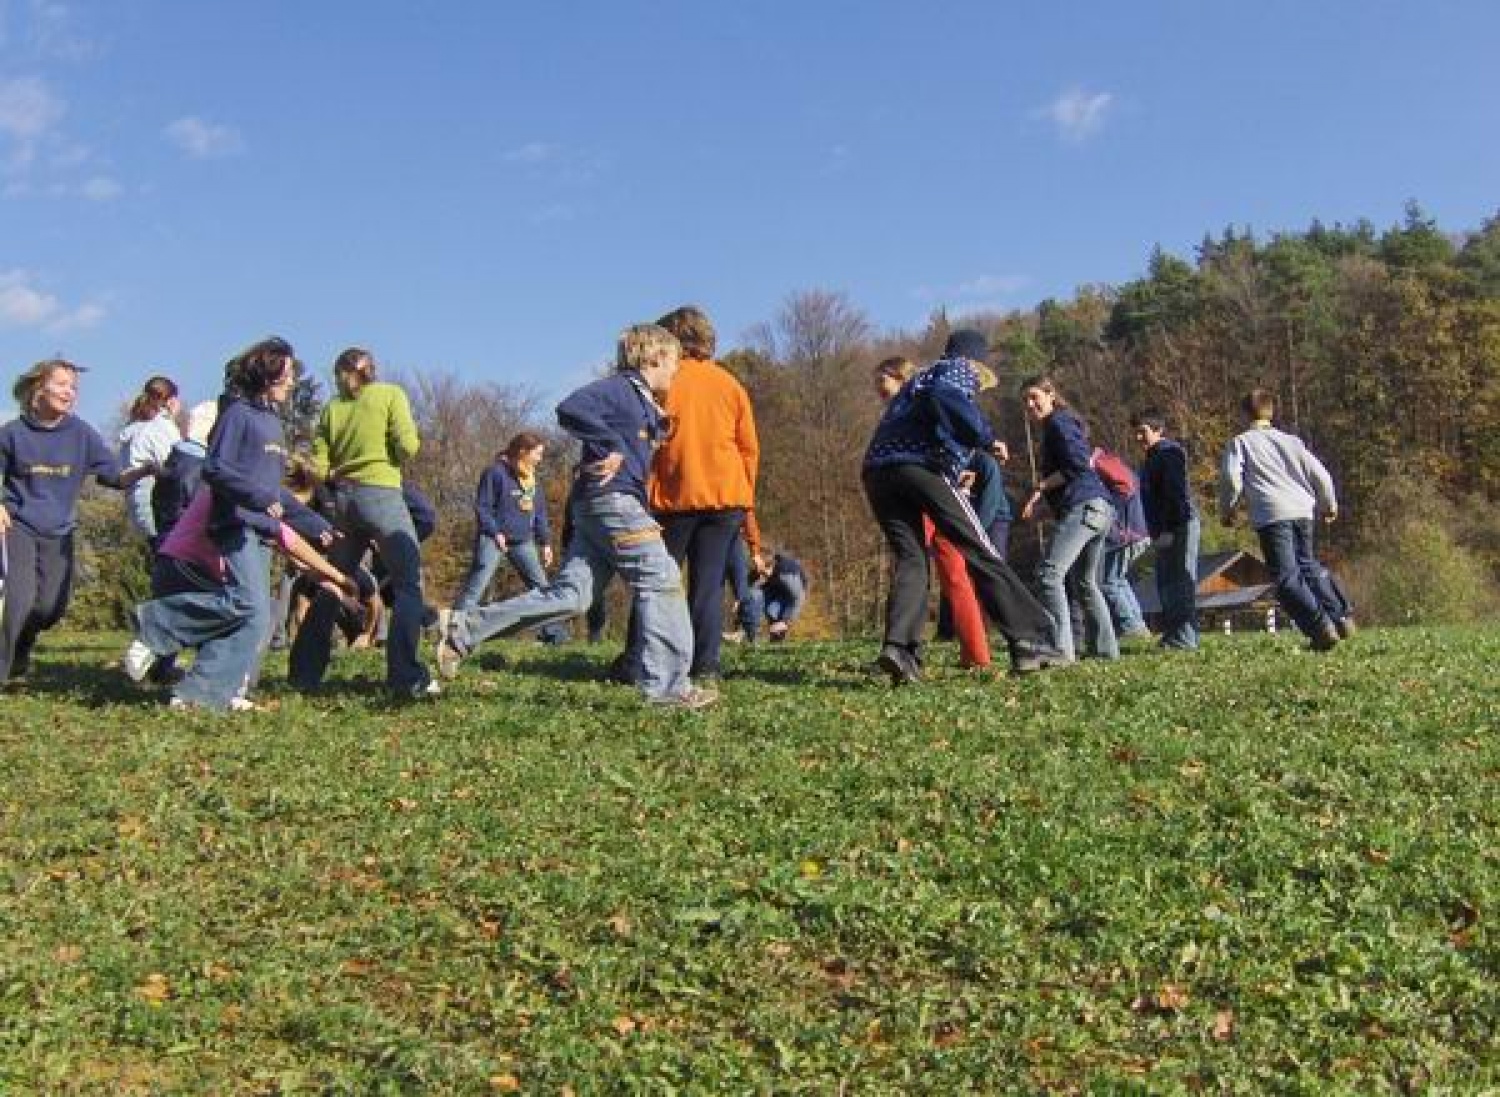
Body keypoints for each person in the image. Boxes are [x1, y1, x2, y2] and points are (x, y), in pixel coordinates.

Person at [436, 324, 716, 710]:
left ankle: (463, 628)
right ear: (653, 357)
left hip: (596, 507)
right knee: (661, 577)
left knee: (571, 597)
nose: (677, 370)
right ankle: (668, 690)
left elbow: (636, 431)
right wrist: (613, 444)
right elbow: (571, 409)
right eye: (674, 362)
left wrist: (654, 428)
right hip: (612, 502)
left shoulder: (642, 401)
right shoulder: (620, 388)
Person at [124, 338, 336, 710]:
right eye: (287, 375)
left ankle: (202, 695)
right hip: (235, 522)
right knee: (244, 604)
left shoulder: (272, 421)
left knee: (256, 617)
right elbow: (216, 469)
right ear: (267, 375)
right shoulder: (237, 415)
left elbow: (274, 492)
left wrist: (315, 523)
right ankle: (157, 624)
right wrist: (257, 498)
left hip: (260, 529)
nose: (292, 382)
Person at [862, 331, 1060, 683]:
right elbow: (947, 397)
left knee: (911, 558)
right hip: (919, 467)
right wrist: (985, 437)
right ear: (975, 361)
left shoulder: (917, 380)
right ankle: (1030, 640)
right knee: (978, 548)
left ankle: (900, 650)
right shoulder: (955, 368)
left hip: (878, 470)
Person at [619, 306, 759, 684]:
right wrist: (746, 500)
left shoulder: (664, 381)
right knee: (709, 585)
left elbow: (644, 439)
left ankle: (635, 660)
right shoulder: (730, 384)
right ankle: (705, 664)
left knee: (655, 580)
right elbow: (748, 448)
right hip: (727, 495)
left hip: (675, 496)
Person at [288, 347, 436, 700]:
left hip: (343, 502)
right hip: (381, 494)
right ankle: (406, 676)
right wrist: (388, 454)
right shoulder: (389, 395)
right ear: (373, 370)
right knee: (408, 584)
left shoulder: (331, 409)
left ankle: (304, 673)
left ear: (339, 373)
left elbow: (320, 469)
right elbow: (409, 446)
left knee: (332, 582)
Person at [0, 359, 154, 686]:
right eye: (61, 385)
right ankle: (4, 668)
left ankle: (23, 647)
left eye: (73, 388)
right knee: (19, 601)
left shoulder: (80, 433)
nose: (69, 393)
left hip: (60, 530)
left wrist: (143, 470)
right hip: (19, 526)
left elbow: (112, 475)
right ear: (36, 390)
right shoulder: (12, 433)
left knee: (49, 608)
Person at [873, 355, 995, 670]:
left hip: (929, 491)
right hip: (924, 487)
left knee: (949, 570)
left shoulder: (919, 399)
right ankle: (904, 647)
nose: (878, 389)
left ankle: (975, 654)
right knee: (918, 567)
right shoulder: (911, 402)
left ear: (900, 377)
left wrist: (963, 472)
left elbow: (950, 435)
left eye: (882, 381)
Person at [1218, 388, 1353, 649]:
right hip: (1303, 509)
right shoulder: (1292, 441)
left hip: (1272, 513)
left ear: (1245, 414)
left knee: (1286, 577)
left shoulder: (1241, 443)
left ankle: (1320, 627)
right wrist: (1329, 504)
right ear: (1272, 412)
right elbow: (1321, 474)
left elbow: (1231, 479)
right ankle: (1341, 616)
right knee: (1309, 566)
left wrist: (1228, 509)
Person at [1020, 375, 1119, 663]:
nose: (1030, 404)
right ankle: (1105, 651)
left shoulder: (1058, 423)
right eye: (1025, 400)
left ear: (1051, 395)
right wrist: (1046, 503)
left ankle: (1060, 650)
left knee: (1048, 575)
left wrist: (1041, 487)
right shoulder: (1061, 423)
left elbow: (1077, 464)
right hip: (1098, 508)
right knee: (1086, 583)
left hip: (1085, 506)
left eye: (1034, 397)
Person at [451, 432, 566, 644]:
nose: (540, 459)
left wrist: (546, 543)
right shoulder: (495, 473)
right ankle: (455, 631)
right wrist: (495, 532)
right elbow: (483, 507)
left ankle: (553, 635)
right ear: (523, 451)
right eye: (537, 454)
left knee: (542, 587)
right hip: (494, 539)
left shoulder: (532, 479)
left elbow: (539, 513)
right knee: (478, 583)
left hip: (523, 541)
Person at [1131, 408, 1201, 651]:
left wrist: (1170, 528)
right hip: (1164, 529)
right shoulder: (1151, 458)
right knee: (1166, 581)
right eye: (1136, 433)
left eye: (1143, 432)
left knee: (1180, 580)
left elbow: (1175, 493)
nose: (1139, 438)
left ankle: (1185, 637)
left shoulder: (1169, 453)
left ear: (1159, 430)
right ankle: (1174, 634)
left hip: (1179, 524)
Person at [1093, 446, 1152, 641]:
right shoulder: (1110, 461)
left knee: (1109, 582)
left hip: (1127, 532)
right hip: (1136, 530)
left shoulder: (1100, 462)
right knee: (1117, 579)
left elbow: (1124, 485)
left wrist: (1112, 513)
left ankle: (1132, 627)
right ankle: (1138, 626)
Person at [117, 375, 182, 547]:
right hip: (156, 505)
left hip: (136, 506)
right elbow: (178, 465)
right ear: (171, 401)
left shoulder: (132, 429)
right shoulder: (162, 427)